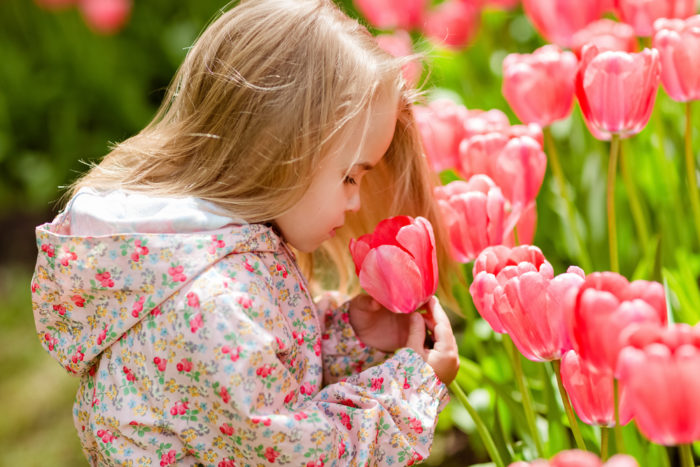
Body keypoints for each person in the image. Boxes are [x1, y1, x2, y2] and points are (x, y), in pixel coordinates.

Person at [31, 0, 460, 465]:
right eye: (350, 176)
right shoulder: (207, 303)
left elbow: (266, 374)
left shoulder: (215, 249)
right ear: (282, 151)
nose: (355, 201)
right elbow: (292, 451)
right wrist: (409, 393)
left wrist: (348, 336)